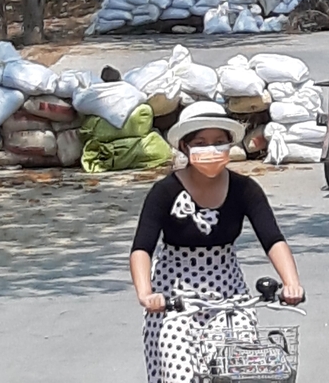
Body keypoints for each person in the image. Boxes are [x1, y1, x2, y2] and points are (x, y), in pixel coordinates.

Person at [129, 102, 304, 383]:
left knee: (246, 369)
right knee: (179, 372)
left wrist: (291, 282)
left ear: (229, 146)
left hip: (230, 296)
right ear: (185, 147)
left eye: (218, 142)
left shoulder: (245, 189)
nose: (210, 150)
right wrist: (146, 294)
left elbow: (273, 239)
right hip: (176, 302)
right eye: (201, 143)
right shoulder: (165, 192)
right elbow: (142, 249)